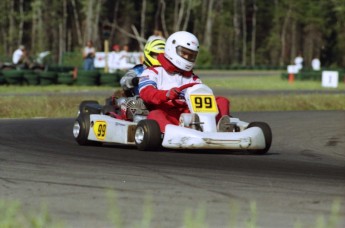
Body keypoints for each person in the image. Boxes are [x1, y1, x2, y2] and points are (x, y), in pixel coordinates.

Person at [138, 31, 231, 133]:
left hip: (191, 112)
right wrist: (167, 94)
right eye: (184, 53)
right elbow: (146, 93)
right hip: (169, 112)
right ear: (171, 49)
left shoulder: (192, 77)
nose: (187, 58)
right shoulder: (152, 72)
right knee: (155, 115)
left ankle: (218, 126)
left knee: (222, 101)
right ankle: (176, 133)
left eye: (191, 55)